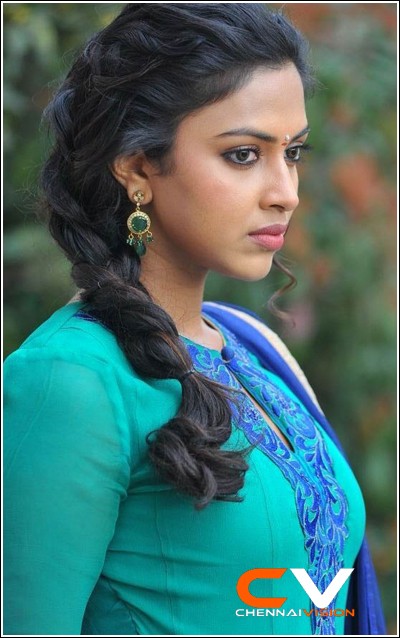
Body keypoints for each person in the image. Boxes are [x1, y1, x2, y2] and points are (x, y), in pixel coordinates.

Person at [3, 3, 386, 636]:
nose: (286, 192)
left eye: (293, 152)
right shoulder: (69, 380)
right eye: (244, 154)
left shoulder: (248, 349)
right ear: (137, 167)